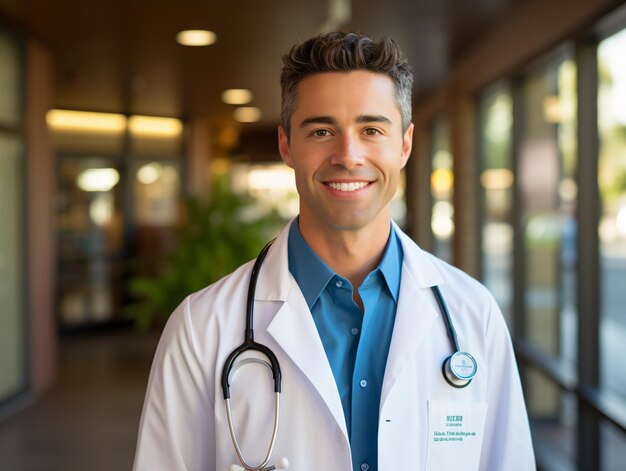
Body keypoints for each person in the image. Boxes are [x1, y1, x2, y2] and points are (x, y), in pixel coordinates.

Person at [133, 32, 536, 471]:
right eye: (322, 130)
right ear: (286, 145)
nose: (348, 155)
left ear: (405, 144)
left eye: (371, 129)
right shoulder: (202, 328)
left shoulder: (473, 313)